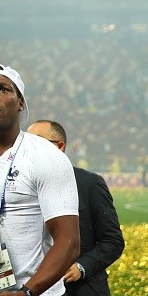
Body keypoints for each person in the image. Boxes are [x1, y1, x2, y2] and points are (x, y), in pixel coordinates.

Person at [0, 63, 80, 296]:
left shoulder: (46, 156)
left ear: (21, 103)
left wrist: (26, 293)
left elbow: (69, 241)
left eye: (3, 89)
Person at [26, 120, 125, 296]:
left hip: (81, 288)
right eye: (25, 144)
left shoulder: (89, 183)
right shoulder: (18, 187)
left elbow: (113, 241)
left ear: (60, 146)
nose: (28, 150)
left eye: (37, 142)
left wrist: (82, 266)